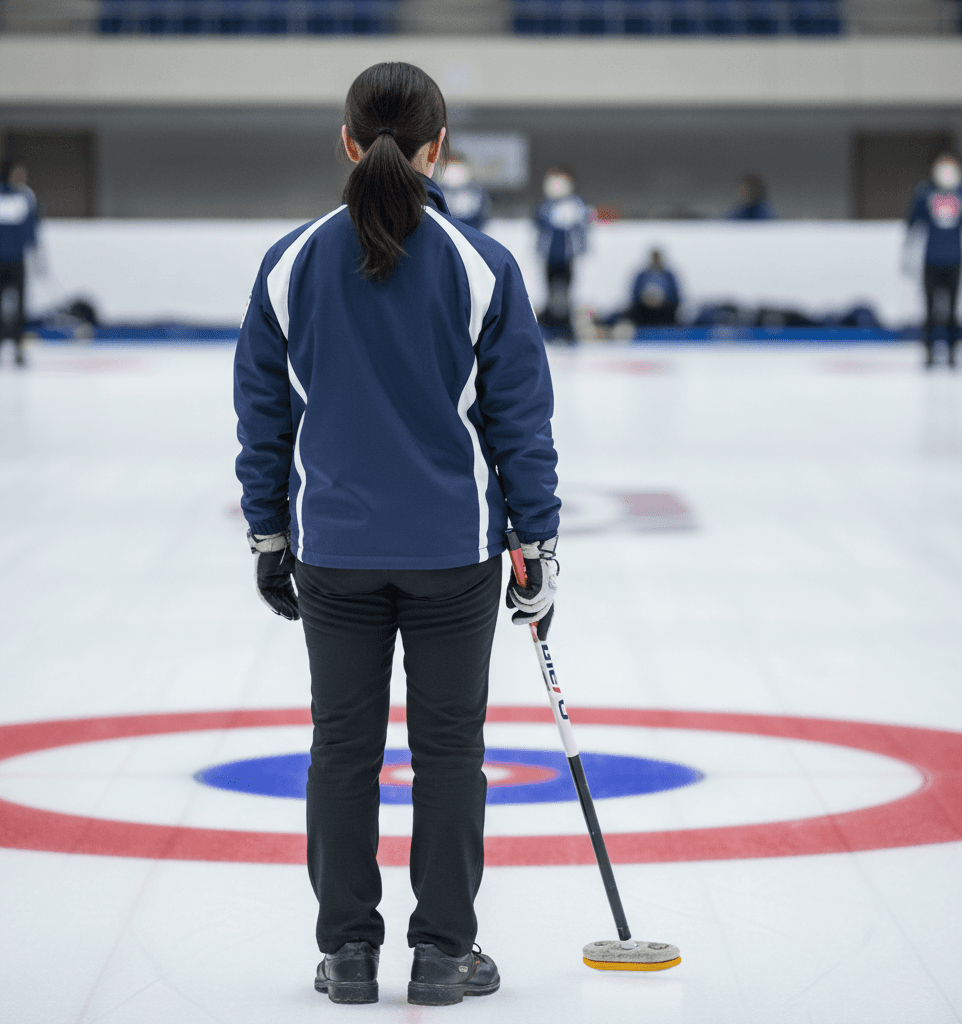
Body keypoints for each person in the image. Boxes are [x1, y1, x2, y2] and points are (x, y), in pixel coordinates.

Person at [233, 62, 560, 1007]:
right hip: (452, 553)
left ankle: (347, 953)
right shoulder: (481, 263)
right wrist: (537, 543)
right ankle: (443, 954)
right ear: (437, 147)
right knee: (450, 752)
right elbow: (519, 421)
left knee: (342, 749)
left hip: (334, 551)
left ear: (347, 142)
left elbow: (263, 415)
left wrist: (268, 534)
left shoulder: (291, 261)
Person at [0, 158, 40, 366]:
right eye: (19, 173)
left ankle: (18, 346)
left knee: (20, 305)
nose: (23, 177)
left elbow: (32, 228)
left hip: (18, 259)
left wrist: (36, 255)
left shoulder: (26, 196)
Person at [907, 151, 962, 368]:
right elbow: (913, 221)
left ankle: (951, 350)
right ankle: (929, 350)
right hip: (931, 259)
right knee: (930, 309)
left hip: (953, 260)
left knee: (952, 309)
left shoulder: (960, 193)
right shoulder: (925, 193)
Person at [534, 167, 590, 343]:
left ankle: (566, 328)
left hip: (567, 257)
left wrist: (580, 252)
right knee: (550, 292)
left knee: (566, 293)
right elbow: (541, 226)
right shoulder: (545, 204)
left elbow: (580, 228)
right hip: (550, 256)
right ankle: (551, 327)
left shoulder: (576, 204)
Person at [597, 248, 681, 332]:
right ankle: (600, 323)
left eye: (657, 257)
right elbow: (634, 295)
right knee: (621, 315)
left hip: (664, 312)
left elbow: (676, 296)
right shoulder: (642, 275)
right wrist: (646, 300)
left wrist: (662, 301)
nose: (656, 260)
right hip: (643, 311)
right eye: (654, 257)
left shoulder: (669, 276)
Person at [440, 154, 491, 232]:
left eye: (457, 164)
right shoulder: (435, 190)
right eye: (451, 164)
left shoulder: (476, 191)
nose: (454, 171)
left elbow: (482, 216)